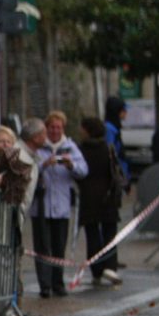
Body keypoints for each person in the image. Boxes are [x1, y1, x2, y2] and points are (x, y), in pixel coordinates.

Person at [31, 110, 88, 297]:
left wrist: (71, 165)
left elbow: (83, 170)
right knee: (42, 247)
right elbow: (29, 169)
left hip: (62, 207)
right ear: (46, 129)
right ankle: (44, 285)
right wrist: (44, 164)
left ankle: (58, 282)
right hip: (41, 206)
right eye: (51, 127)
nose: (55, 131)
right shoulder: (38, 148)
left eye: (58, 127)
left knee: (58, 247)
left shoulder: (70, 148)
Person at [78, 116, 124, 287]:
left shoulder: (81, 150)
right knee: (109, 234)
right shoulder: (107, 148)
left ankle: (97, 269)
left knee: (92, 235)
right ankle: (110, 265)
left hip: (89, 198)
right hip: (108, 196)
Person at [103, 96, 130, 184]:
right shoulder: (109, 129)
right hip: (115, 176)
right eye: (123, 111)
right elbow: (111, 153)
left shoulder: (115, 127)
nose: (126, 113)